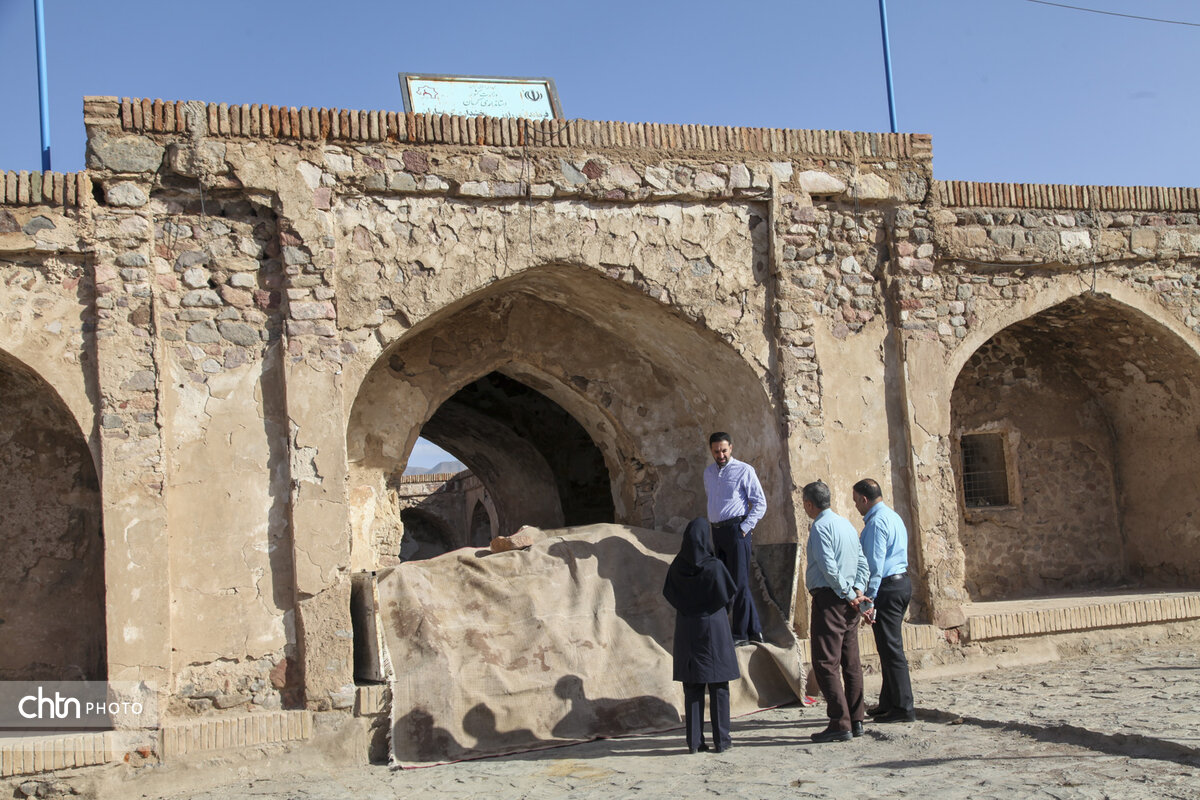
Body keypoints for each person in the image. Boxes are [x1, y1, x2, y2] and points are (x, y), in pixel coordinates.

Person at [663, 518, 741, 754]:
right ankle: (722, 740)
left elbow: (670, 594)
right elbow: (728, 596)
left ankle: (694, 742)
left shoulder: (677, 567)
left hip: (687, 629)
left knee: (692, 686)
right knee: (719, 686)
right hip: (713, 628)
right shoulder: (714, 567)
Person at [802, 480, 869, 743]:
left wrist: (849, 594)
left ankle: (840, 722)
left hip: (831, 599)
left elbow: (828, 567)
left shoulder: (820, 527)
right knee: (850, 662)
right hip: (849, 601)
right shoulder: (846, 524)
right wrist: (858, 591)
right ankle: (856, 718)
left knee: (825, 662)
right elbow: (862, 562)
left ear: (809, 504)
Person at [852, 478, 916, 723]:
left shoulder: (877, 522)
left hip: (888, 586)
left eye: (856, 501)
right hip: (901, 583)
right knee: (887, 647)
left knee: (891, 649)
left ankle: (903, 707)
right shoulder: (892, 516)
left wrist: (868, 599)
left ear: (864, 499)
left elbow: (874, 565)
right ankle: (889, 702)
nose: (856, 506)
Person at [702, 432, 765, 645]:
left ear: (731, 448)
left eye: (724, 450)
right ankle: (755, 630)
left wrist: (745, 528)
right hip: (717, 532)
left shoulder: (744, 470)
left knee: (738, 583)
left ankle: (740, 634)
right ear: (711, 451)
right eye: (716, 451)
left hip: (737, 531)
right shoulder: (708, 473)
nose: (720, 455)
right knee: (726, 582)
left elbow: (760, 503)